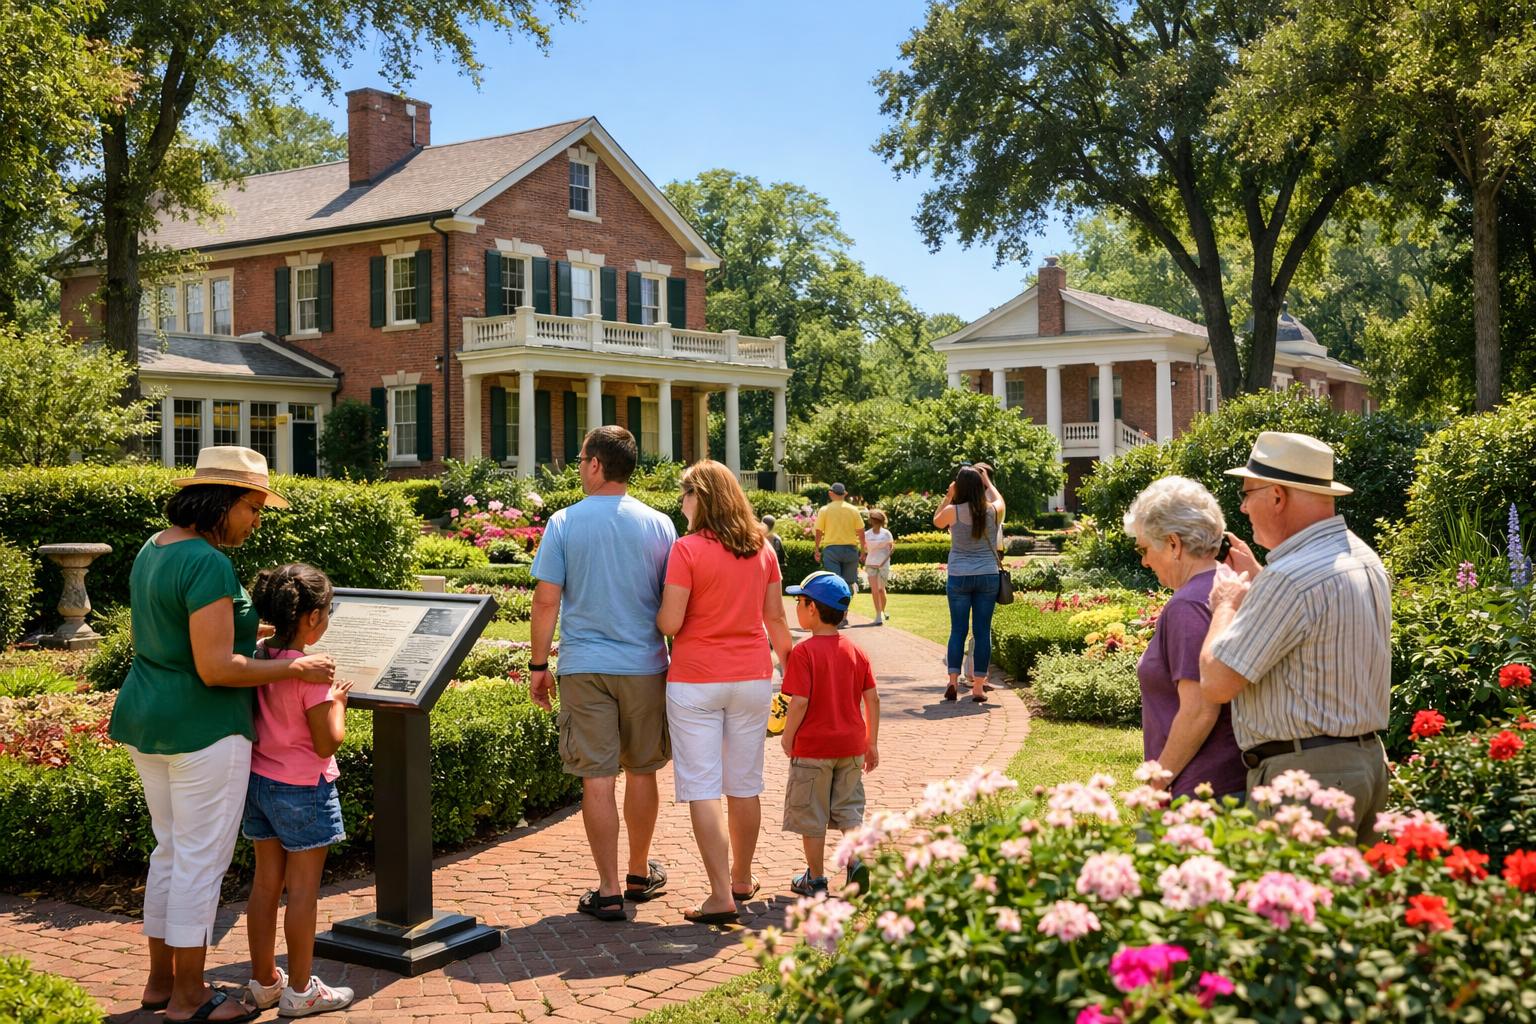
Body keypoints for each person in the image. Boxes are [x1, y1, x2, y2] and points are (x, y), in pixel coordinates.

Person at [108, 447, 335, 1024]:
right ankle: (190, 997)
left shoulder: (155, 547)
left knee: (170, 851)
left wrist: (266, 632)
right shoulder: (208, 562)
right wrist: (295, 667)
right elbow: (216, 667)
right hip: (203, 728)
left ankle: (161, 983)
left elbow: (191, 628)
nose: (256, 521)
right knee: (199, 864)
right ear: (225, 502)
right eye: (253, 509)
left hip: (148, 718)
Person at [1198, 432, 1391, 840]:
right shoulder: (1362, 557)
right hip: (1365, 765)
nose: (1243, 506)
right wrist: (1262, 578)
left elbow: (1216, 682)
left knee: (1290, 902)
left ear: (1278, 496)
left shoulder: (1291, 577)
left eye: (1248, 492)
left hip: (1306, 780)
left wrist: (1227, 605)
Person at [528, 426, 677, 922]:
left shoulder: (564, 522)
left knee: (596, 780)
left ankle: (609, 889)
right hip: (645, 664)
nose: (578, 467)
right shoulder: (660, 525)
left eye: (580, 458)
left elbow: (547, 599)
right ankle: (638, 872)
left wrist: (537, 664)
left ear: (595, 464)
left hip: (585, 666)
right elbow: (672, 602)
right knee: (642, 770)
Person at [656, 460, 795, 925]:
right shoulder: (763, 549)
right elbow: (776, 618)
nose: (682, 504)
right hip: (752, 677)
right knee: (745, 784)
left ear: (703, 498)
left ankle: (720, 895)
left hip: (696, 678)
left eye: (686, 495)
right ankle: (741, 876)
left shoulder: (687, 549)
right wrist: (791, 668)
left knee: (702, 787)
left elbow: (671, 623)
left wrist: (659, 615)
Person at [242, 565, 354, 1018]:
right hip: (305, 787)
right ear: (310, 618)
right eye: (326, 612)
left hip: (260, 782)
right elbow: (327, 741)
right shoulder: (312, 675)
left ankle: (266, 981)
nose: (326, 621)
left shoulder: (258, 655)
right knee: (303, 892)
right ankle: (303, 990)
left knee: (265, 885)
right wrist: (339, 705)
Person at [1123, 478, 1246, 799]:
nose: (1144, 561)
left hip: (1198, 792)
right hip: (1231, 782)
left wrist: (1156, 785)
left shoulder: (1189, 603)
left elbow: (1199, 711)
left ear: (1174, 544)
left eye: (1145, 548)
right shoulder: (1228, 581)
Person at [779, 571, 880, 897]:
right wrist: (871, 741)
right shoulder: (856, 650)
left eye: (799, 600)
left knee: (812, 814)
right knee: (849, 808)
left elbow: (800, 702)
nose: (796, 605)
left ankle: (817, 879)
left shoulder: (804, 653)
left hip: (812, 749)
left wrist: (787, 736)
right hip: (851, 745)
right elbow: (872, 698)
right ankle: (856, 861)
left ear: (812, 608)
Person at [933, 465, 1005, 703]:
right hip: (987, 575)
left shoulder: (952, 511)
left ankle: (953, 682)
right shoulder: (992, 511)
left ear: (960, 486)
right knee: (982, 632)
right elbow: (999, 500)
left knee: (958, 630)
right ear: (980, 486)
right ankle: (978, 688)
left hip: (959, 576)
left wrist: (949, 495)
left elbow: (936, 521)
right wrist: (988, 483)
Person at [814, 483, 865, 621]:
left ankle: (838, 614)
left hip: (832, 550)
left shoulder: (825, 510)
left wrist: (817, 549)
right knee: (848, 583)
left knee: (836, 583)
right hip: (850, 550)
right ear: (845, 494)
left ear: (831, 493)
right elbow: (861, 532)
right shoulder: (853, 510)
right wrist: (863, 551)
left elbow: (819, 531)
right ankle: (844, 612)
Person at [861, 510, 894, 626]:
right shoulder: (867, 534)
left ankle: (883, 611)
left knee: (881, 590)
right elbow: (864, 549)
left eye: (876, 520)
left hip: (883, 565)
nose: (874, 522)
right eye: (873, 520)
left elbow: (892, 549)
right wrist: (864, 555)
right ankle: (878, 615)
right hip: (871, 564)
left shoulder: (886, 534)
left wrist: (883, 561)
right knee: (875, 591)